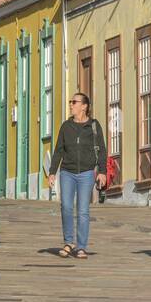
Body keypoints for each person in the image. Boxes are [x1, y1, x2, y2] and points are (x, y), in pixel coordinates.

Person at [46, 92, 107, 259]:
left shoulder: (94, 126)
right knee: (66, 206)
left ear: (84, 106)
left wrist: (102, 171)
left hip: (87, 173)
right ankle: (68, 242)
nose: (71, 104)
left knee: (83, 210)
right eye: (71, 101)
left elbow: (102, 149)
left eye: (74, 102)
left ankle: (81, 246)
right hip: (67, 172)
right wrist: (52, 172)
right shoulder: (66, 126)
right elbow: (58, 150)